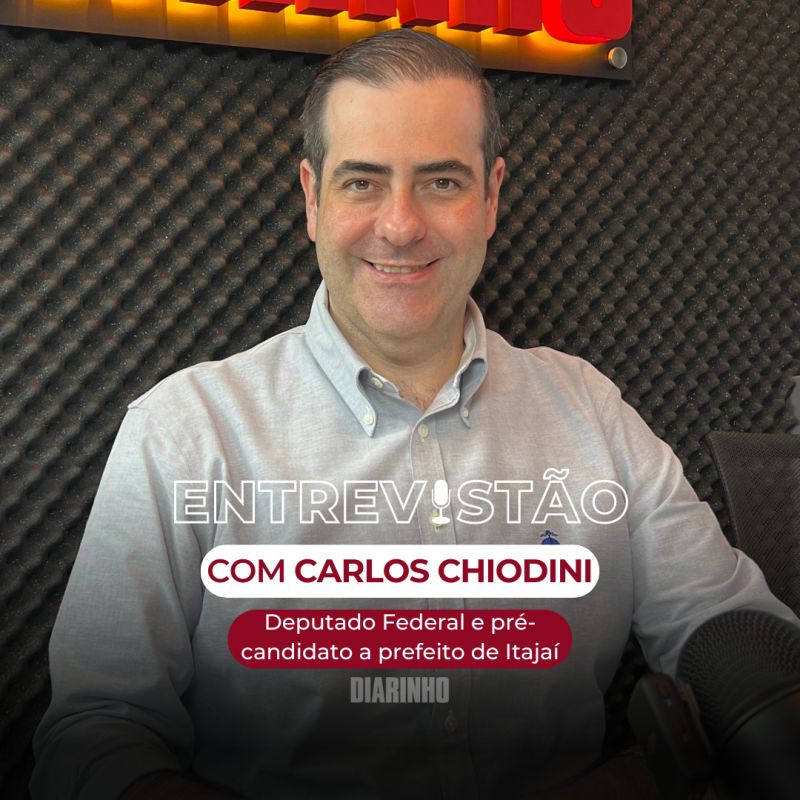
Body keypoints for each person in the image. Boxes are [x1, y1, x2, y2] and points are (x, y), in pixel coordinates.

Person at [31, 29, 798, 800]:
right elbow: (96, 736)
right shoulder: (183, 432)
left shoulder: (589, 408)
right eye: (363, 181)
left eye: (441, 182)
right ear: (312, 198)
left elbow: (723, 624)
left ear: (491, 197)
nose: (399, 226)